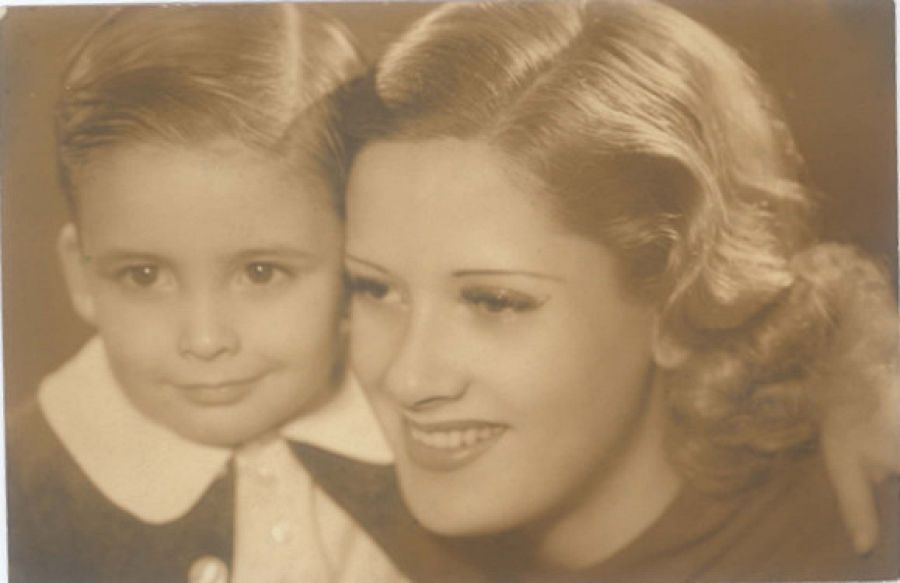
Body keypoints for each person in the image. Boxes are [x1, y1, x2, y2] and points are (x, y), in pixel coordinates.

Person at [343, 1, 900, 580]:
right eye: (374, 287)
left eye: (494, 302)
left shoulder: (845, 548)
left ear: (678, 302)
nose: (408, 379)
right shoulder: (324, 485)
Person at [4, 6, 478, 583]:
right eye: (144, 276)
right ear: (81, 278)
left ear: (354, 262)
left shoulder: (433, 430)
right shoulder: (28, 488)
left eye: (260, 272)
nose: (204, 339)